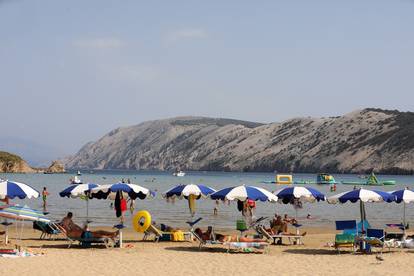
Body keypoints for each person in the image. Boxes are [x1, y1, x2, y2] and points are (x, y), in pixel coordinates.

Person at [194, 228, 266, 243]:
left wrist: (208, 233)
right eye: (200, 231)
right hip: (236, 239)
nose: (201, 231)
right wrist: (208, 234)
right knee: (251, 240)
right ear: (198, 232)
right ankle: (264, 240)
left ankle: (264, 240)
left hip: (234, 237)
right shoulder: (202, 236)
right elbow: (207, 239)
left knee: (251, 240)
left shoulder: (203, 235)